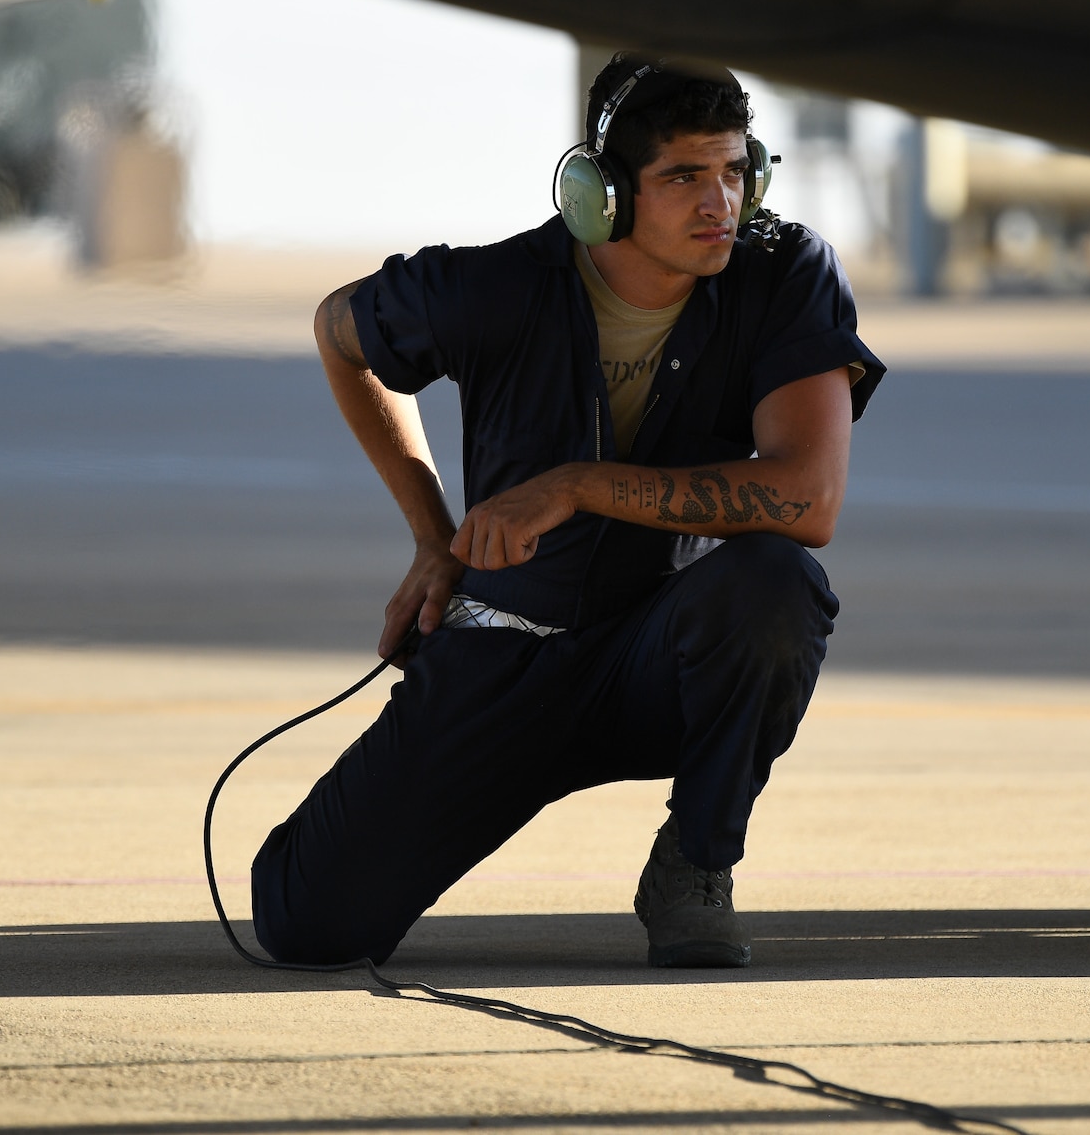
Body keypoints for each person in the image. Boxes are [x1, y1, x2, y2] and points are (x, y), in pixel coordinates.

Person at [250, 54, 882, 969]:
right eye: (683, 178)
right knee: (307, 929)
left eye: (736, 170)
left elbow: (807, 497)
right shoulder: (494, 287)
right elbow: (336, 330)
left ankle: (695, 865)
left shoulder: (782, 273)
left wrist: (579, 482)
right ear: (602, 195)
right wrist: (431, 532)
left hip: (656, 663)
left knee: (775, 583)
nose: (721, 204)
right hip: (505, 653)